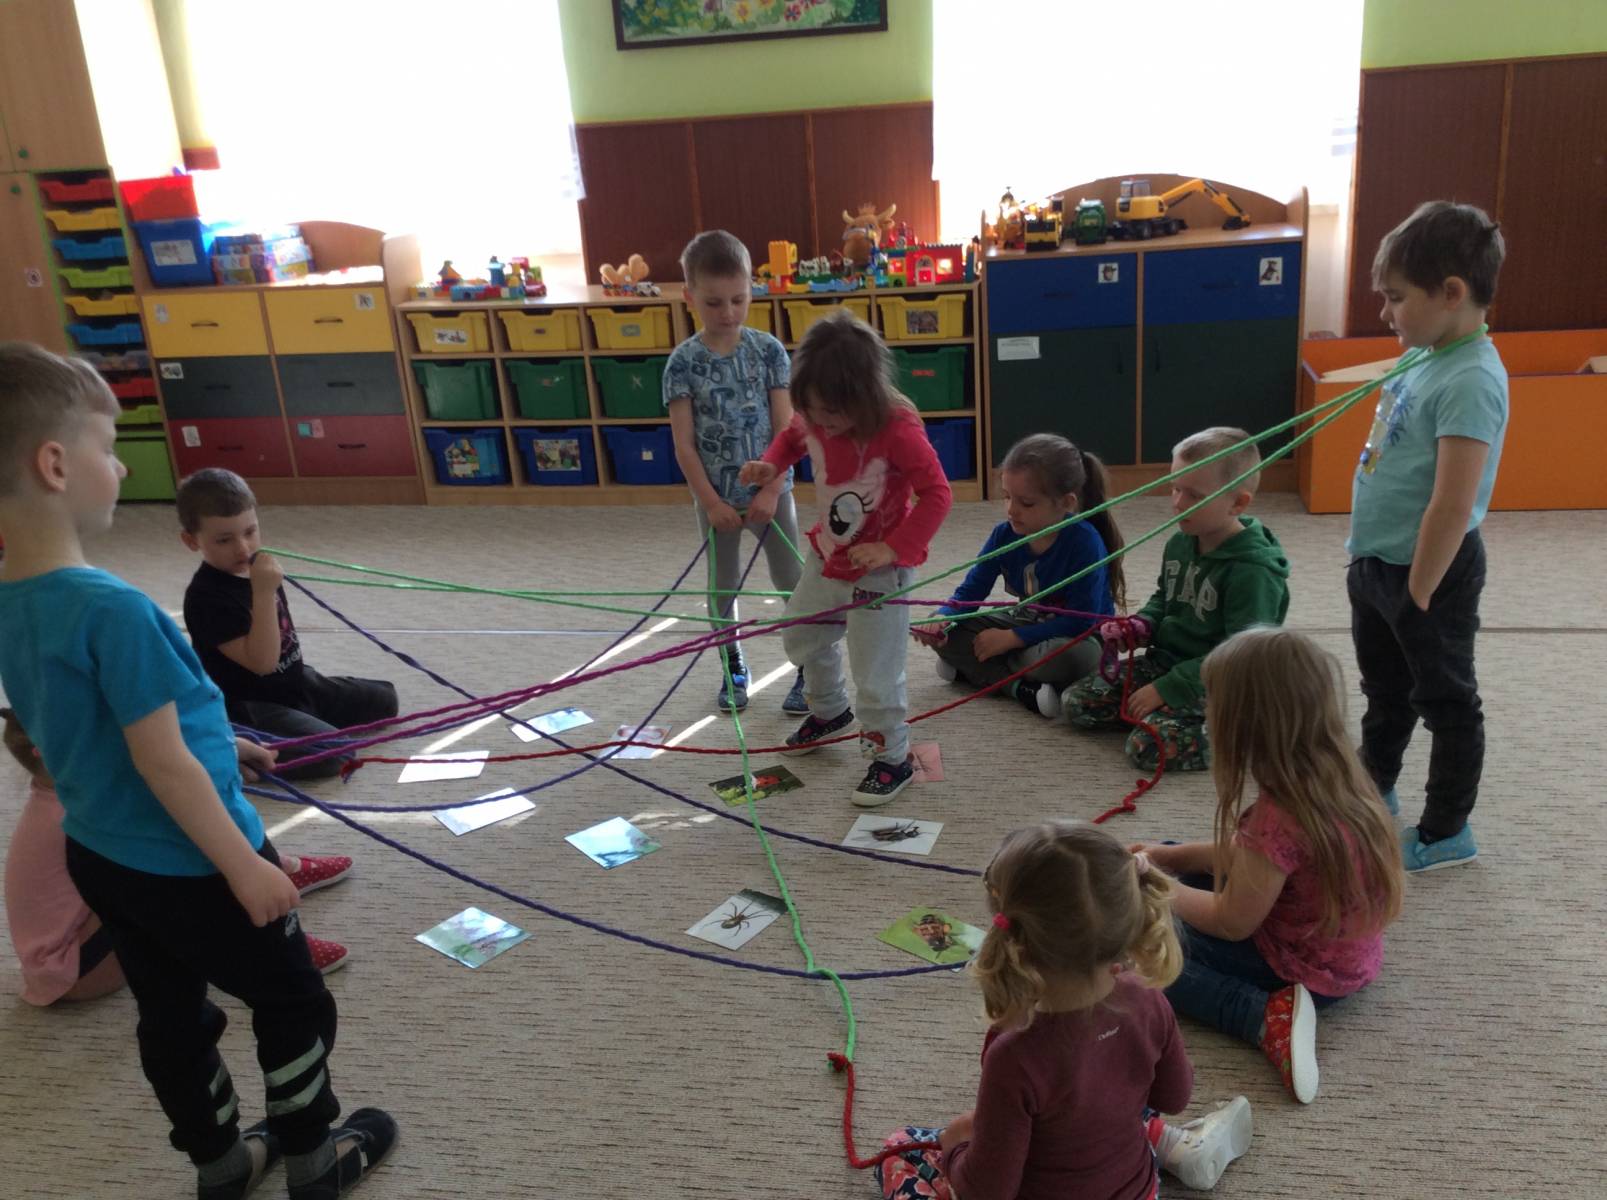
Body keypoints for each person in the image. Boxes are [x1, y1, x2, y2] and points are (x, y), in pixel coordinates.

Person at [0, 343, 397, 1200]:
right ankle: (311, 1158)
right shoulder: (115, 609)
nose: (121, 466)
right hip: (193, 861)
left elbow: (95, 731)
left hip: (102, 856)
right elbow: (164, 763)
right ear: (55, 464)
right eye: (109, 448)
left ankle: (219, 1166)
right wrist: (245, 865)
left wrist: (225, 743)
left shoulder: (11, 598)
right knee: (293, 999)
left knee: (173, 1012)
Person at [874, 821, 1253, 1199]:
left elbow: (989, 1191)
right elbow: (1173, 1098)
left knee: (899, 1148)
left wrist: (956, 1147)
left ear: (1014, 938)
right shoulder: (1149, 999)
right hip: (1139, 1191)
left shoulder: (1014, 1055)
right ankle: (1175, 1145)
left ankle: (1172, 1145)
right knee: (1108, 1099)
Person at [1134, 628, 1404, 1104]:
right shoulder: (1337, 773)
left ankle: (1261, 1017)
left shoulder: (1278, 817)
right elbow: (1252, 858)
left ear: (1247, 725)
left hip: (1307, 970)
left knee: (1146, 954)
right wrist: (1169, 857)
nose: (1205, 711)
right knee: (1175, 862)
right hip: (1344, 951)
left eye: (1213, 702)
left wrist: (1155, 885)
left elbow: (1231, 921)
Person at [739, 309, 953, 806]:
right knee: (801, 634)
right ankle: (830, 710)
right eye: (812, 410)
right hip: (828, 555)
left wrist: (892, 548)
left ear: (864, 397)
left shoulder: (897, 428)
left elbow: (938, 494)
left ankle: (892, 759)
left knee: (875, 675)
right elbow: (792, 436)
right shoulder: (815, 415)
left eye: (831, 413)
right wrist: (771, 464)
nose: (821, 423)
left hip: (881, 572)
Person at [1351, 200, 1508, 871]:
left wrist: (1417, 589)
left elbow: (1452, 502)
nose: (1385, 313)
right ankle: (1374, 786)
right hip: (1377, 560)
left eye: (1395, 298)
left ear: (1450, 293)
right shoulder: (1424, 354)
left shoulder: (1471, 378)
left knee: (1445, 699)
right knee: (1384, 690)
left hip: (1428, 571)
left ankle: (1446, 831)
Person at [3, 707, 354, 1006]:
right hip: (75, 968)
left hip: (70, 954)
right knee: (181, 857)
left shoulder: (68, 796)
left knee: (186, 833)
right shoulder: (80, 813)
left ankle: (272, 868)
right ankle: (267, 950)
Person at [1063, 427, 1289, 771]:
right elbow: (1164, 599)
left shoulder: (1253, 571)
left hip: (1222, 682)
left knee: (1147, 747)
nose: (1177, 503)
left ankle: (1243, 733)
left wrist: (1168, 689)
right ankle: (1166, 715)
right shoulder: (1181, 543)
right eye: (1175, 488)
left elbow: (1241, 658)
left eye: (1194, 495)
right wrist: (1142, 624)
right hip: (1168, 662)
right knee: (1076, 703)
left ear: (1238, 503)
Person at [177, 468, 399, 780]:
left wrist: (263, 587)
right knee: (336, 754)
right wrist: (263, 592)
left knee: (386, 699)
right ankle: (235, 752)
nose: (243, 548)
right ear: (191, 541)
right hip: (251, 705)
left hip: (296, 683)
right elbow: (263, 662)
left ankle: (303, 725)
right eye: (225, 540)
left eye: (250, 532)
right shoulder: (205, 598)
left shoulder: (259, 570)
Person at [665, 230, 807, 714]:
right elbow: (684, 445)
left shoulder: (768, 351)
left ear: (751, 291)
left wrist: (771, 489)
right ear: (690, 297)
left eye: (738, 300)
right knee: (722, 585)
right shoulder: (682, 364)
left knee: (791, 580)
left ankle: (808, 666)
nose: (727, 312)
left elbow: (787, 428)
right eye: (713, 302)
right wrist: (711, 503)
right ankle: (733, 665)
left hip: (773, 494)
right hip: (717, 500)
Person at [914, 432, 1122, 719]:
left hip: (1078, 636)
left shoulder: (1084, 543)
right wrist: (943, 617)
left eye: (1026, 503)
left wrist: (1011, 638)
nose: (1011, 510)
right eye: (1007, 497)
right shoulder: (1004, 535)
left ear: (1066, 503)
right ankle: (1019, 688)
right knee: (950, 634)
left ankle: (979, 671)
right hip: (1029, 620)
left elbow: (1080, 621)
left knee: (1071, 657)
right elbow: (972, 592)